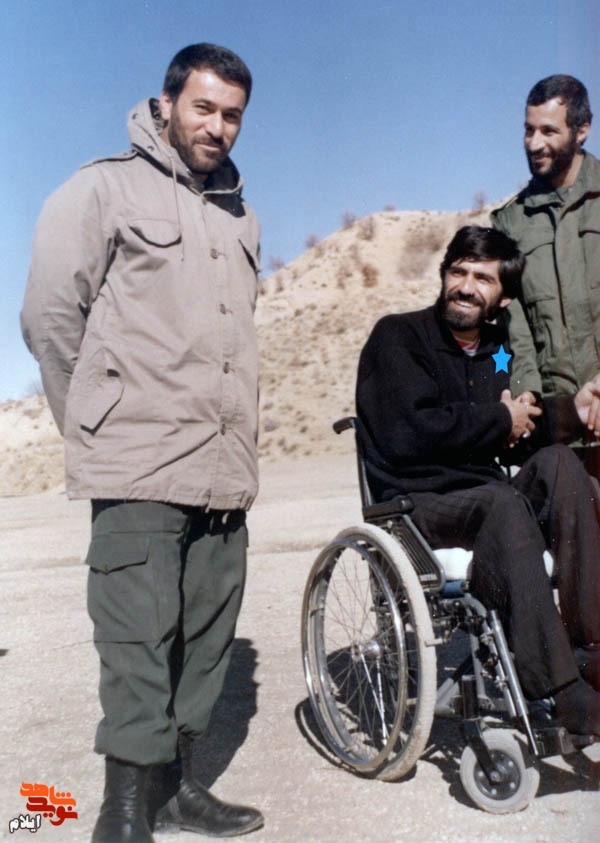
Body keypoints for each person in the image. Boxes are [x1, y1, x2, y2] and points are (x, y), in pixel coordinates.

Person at [21, 44, 264, 843]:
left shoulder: (241, 216)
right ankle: (123, 811)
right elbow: (50, 316)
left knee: (205, 642)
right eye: (204, 108)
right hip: (139, 467)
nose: (218, 126)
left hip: (223, 471)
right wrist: (98, 422)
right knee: (136, 643)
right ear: (166, 105)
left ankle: (175, 789)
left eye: (232, 115)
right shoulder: (101, 190)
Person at [356, 225, 600, 739]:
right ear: (444, 274)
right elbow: (408, 433)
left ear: (503, 298)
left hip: (485, 498)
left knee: (561, 465)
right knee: (499, 500)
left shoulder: (496, 351)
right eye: (458, 272)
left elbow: (517, 429)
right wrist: (498, 419)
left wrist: (573, 413)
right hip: (416, 503)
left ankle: (591, 654)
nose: (465, 287)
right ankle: (558, 689)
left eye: (483, 278)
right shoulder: (398, 337)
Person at [492, 75, 600, 402]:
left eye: (548, 131)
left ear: (582, 130)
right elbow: (516, 331)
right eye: (529, 130)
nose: (534, 144)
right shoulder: (510, 222)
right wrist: (528, 394)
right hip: (558, 414)